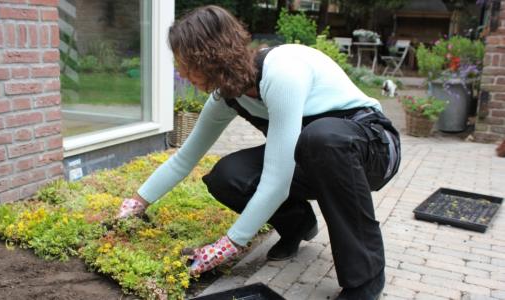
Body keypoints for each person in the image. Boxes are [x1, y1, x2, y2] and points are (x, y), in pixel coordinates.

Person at [117, 5, 401, 300]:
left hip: (374, 149)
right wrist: (135, 205)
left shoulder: (281, 72)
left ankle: (365, 280)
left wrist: (228, 245)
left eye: (185, 63)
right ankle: (297, 225)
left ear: (209, 55)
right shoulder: (226, 97)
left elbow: (277, 181)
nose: (181, 73)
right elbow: (184, 159)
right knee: (228, 176)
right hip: (318, 158)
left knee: (321, 139)